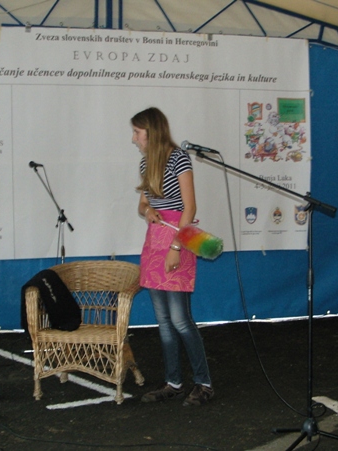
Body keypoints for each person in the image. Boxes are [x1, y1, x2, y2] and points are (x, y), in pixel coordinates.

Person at [131, 107, 214, 406]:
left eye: (137, 132)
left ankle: (204, 383)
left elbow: (189, 208)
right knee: (164, 321)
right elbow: (142, 205)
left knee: (180, 319)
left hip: (177, 240)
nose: (133, 138)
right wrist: (148, 211)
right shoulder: (146, 162)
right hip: (155, 243)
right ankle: (173, 382)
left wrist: (176, 248)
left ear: (151, 132)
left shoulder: (179, 158)